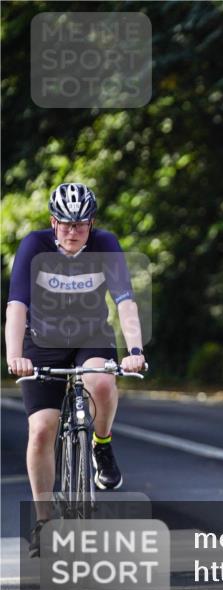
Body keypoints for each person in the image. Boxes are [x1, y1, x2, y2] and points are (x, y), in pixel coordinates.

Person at [5, 183, 147, 557]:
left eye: (81, 224)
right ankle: (43, 521)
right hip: (42, 342)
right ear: (53, 222)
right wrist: (14, 354)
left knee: (101, 383)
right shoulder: (34, 246)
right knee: (41, 431)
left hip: (91, 336)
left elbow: (125, 301)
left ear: (92, 223)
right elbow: (17, 306)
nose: (72, 231)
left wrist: (135, 350)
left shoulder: (105, 244)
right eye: (65, 224)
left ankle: (101, 445)